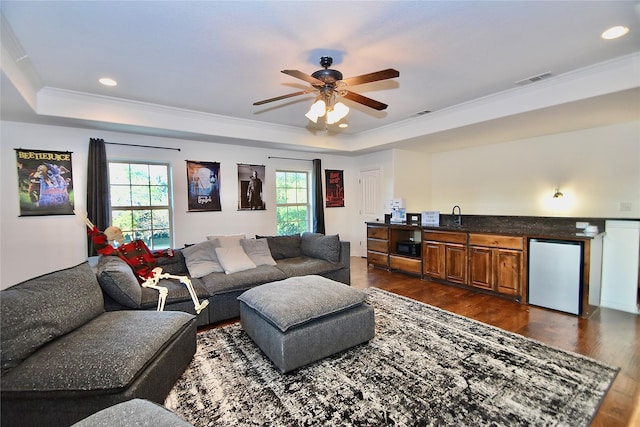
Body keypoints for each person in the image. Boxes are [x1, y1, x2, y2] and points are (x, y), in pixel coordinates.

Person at [80, 214, 209, 314]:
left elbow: (150, 255)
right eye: (116, 232)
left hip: (155, 270)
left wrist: (164, 253)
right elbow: (102, 247)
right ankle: (161, 317)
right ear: (111, 238)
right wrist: (94, 230)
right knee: (169, 288)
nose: (120, 233)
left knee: (185, 279)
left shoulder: (138, 243)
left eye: (119, 231)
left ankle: (197, 306)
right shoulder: (117, 253)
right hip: (146, 277)